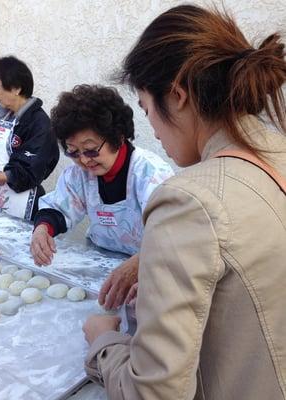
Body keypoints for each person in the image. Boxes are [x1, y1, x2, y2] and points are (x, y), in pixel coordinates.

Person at [83, 5, 286, 400]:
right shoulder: (277, 153)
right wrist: (152, 259)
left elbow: (153, 392)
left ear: (176, 96)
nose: (154, 132)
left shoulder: (187, 200)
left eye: (147, 111)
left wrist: (103, 342)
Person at [30, 84, 173, 309]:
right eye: (73, 151)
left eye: (91, 149)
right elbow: (59, 207)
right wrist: (42, 229)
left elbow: (170, 231)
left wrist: (139, 263)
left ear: (117, 136)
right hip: (98, 263)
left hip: (150, 268)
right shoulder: (78, 175)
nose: (84, 160)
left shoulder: (149, 173)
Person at [0, 56, 59, 220]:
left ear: (16, 88)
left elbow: (24, 172)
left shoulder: (39, 124)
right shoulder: (1, 117)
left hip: (22, 202)